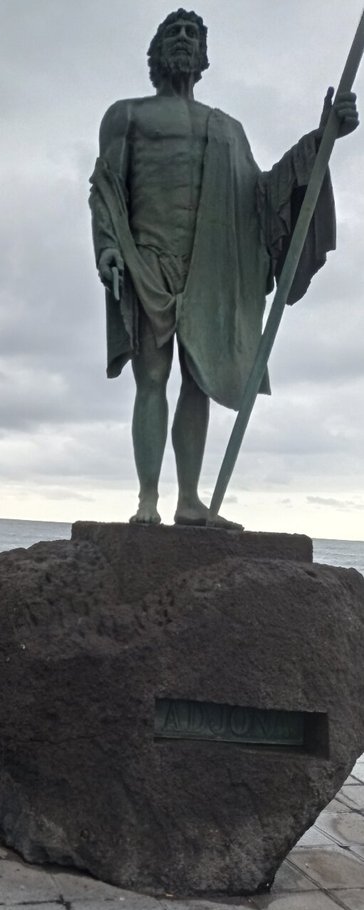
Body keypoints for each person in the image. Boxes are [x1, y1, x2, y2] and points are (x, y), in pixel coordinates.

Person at [89, 9, 358, 528]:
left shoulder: (228, 130)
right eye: (175, 33)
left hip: (210, 269)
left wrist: (321, 138)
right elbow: (107, 190)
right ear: (156, 51)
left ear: (205, 55)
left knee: (200, 381)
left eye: (193, 34)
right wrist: (107, 249)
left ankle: (189, 500)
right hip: (149, 259)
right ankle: (148, 499)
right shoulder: (128, 115)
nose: (185, 40)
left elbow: (261, 196)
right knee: (152, 375)